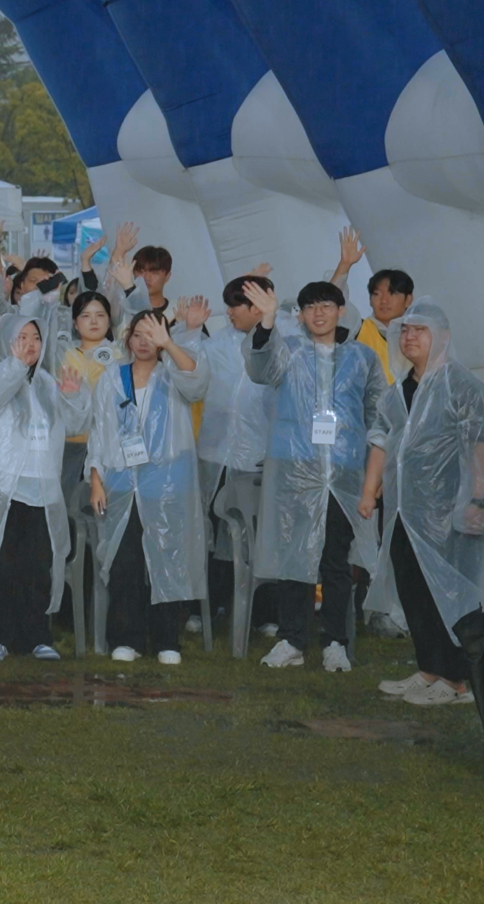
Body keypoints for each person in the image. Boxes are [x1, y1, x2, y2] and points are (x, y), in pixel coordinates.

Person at [244, 277, 383, 671]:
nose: (319, 313)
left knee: (335, 562)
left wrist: (375, 473)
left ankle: (335, 641)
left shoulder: (363, 358)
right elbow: (259, 368)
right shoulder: (287, 351)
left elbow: (378, 417)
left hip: (343, 476)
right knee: (293, 559)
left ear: (341, 311)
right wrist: (268, 322)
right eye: (310, 307)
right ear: (301, 315)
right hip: (295, 474)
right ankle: (292, 640)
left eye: (327, 305)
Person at [363, 304, 484, 705]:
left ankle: (457, 681)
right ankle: (429, 669)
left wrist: (479, 499)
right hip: (406, 513)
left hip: (449, 513)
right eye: (404, 332)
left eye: (420, 331)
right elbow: (381, 441)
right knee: (414, 591)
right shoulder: (396, 392)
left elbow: (483, 446)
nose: (410, 338)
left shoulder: (463, 387)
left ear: (443, 336)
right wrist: (370, 492)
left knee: (450, 594)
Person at [87, 306, 212, 663]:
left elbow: (198, 382)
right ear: (127, 338)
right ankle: (125, 637)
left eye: (152, 335)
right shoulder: (112, 377)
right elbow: (99, 432)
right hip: (122, 486)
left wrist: (169, 345)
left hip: (169, 486)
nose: (144, 342)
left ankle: (167, 639)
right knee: (125, 562)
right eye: (138, 335)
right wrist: (96, 480)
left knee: (169, 559)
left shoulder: (173, 372)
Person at [0, 301, 80, 664]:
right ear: (6, 340)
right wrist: (13, 367)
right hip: (1, 487)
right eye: (21, 337)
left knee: (36, 564)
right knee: (0, 563)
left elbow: (72, 425)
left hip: (41, 488)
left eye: (35, 338)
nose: (29, 344)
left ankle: (36, 635)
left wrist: (73, 396)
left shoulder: (46, 383)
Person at [195, 272, 276, 634]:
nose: (229, 314)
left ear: (258, 307)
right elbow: (190, 372)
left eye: (236, 307)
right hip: (218, 454)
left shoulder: (283, 341)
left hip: (260, 458)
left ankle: (263, 614)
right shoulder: (216, 344)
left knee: (258, 536)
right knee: (215, 533)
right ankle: (210, 609)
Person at [355, 266, 416, 384]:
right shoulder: (358, 329)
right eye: (377, 294)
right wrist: (344, 266)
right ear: (370, 299)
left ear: (408, 299)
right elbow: (329, 309)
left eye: (392, 293)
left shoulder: (418, 336)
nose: (384, 301)